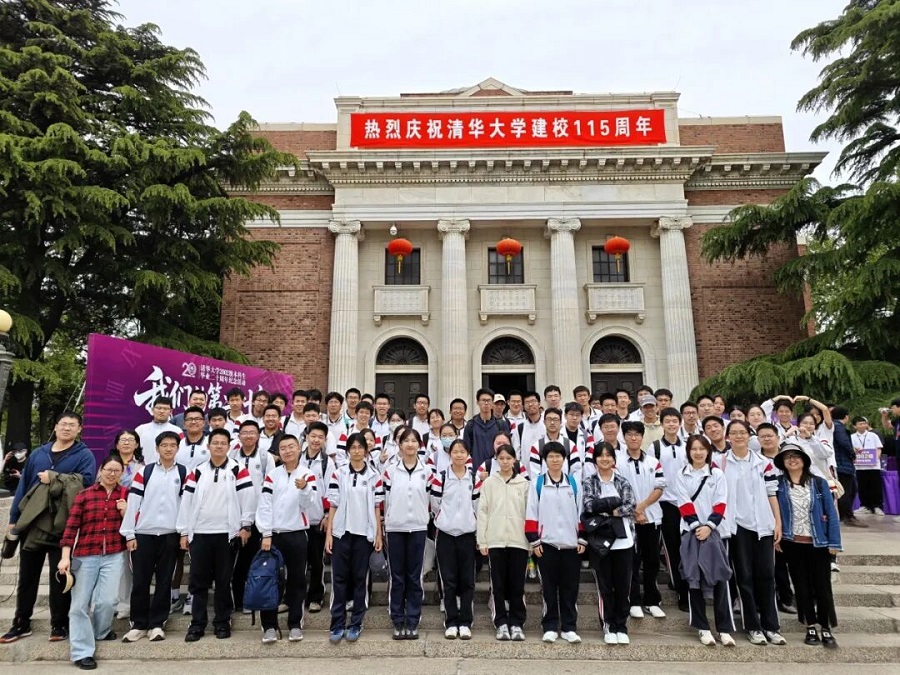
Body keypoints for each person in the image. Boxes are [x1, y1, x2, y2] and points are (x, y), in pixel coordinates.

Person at [0, 412, 96, 645]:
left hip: (62, 523)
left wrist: (54, 477)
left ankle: (59, 623)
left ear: (79, 429)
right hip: (33, 521)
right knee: (27, 577)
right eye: (63, 424)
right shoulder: (39, 453)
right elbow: (23, 485)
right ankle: (21, 622)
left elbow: (86, 481)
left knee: (60, 575)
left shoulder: (84, 455)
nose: (67, 428)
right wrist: (14, 518)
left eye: (72, 425)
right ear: (55, 426)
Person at [176, 428, 256, 642]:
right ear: (208, 446)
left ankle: (222, 621)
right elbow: (186, 502)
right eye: (215, 443)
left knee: (223, 580)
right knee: (198, 581)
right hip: (200, 534)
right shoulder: (197, 471)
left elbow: (247, 498)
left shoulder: (238, 469)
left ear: (229, 446)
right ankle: (197, 624)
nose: (219, 446)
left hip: (227, 535)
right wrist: (184, 531)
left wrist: (246, 525)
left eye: (223, 443)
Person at [58, 455, 128, 670]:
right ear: (101, 470)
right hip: (85, 555)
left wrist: (125, 512)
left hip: (114, 554)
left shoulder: (125, 495)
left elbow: (134, 526)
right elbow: (71, 528)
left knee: (108, 601)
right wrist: (65, 557)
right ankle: (82, 652)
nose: (112, 474)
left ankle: (101, 631)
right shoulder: (85, 495)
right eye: (108, 469)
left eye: (117, 470)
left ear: (122, 473)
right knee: (79, 605)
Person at [721, 420, 785, 646]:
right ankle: (753, 626)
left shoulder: (764, 463)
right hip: (736, 527)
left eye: (743, 432)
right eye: (734, 433)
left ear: (750, 436)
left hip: (763, 526)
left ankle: (771, 626)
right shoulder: (720, 463)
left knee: (767, 576)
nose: (739, 436)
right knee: (744, 577)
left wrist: (777, 522)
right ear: (728, 437)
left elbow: (772, 493)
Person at [774, 444, 842, 648]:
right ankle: (809, 625)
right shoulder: (778, 485)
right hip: (792, 542)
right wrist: (776, 539)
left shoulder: (819, 484)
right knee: (801, 586)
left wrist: (834, 542)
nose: (792, 460)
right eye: (787, 457)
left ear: (804, 460)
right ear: (782, 462)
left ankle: (826, 626)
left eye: (796, 456)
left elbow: (831, 513)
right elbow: (774, 513)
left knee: (822, 587)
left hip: (818, 543)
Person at [120, 431, 184, 643]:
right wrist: (129, 533)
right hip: (143, 534)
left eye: (172, 445)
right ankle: (138, 624)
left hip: (169, 535)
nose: (168, 448)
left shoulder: (183, 472)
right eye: (164, 445)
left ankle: (157, 624)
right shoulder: (144, 472)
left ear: (177, 448)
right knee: (141, 581)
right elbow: (133, 503)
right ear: (157, 448)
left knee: (164, 581)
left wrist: (184, 532)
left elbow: (186, 505)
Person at [256, 434, 318, 643]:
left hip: (297, 534)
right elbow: (265, 504)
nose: (288, 451)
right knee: (269, 580)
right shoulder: (272, 475)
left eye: (291, 446)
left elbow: (309, 503)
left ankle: (295, 624)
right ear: (279, 452)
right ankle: (269, 626)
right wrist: (266, 533)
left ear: (299, 448)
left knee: (297, 580)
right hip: (273, 535)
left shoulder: (307, 474)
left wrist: (304, 488)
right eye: (283, 448)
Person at [676, 435, 735, 647]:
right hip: (690, 532)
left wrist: (709, 526)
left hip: (715, 532)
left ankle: (724, 628)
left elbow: (721, 502)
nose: (698, 452)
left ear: (708, 451)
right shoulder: (681, 474)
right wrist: (696, 527)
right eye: (694, 449)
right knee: (693, 579)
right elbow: (683, 503)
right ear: (688, 452)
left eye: (702, 449)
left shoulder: (716, 474)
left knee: (720, 579)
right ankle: (702, 627)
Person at [325, 433, 384, 643]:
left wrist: (378, 534)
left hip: (364, 535)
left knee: (360, 579)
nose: (357, 451)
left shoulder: (374, 476)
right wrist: (329, 534)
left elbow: (377, 507)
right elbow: (333, 505)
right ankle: (337, 624)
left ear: (366, 451)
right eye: (353, 447)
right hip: (341, 533)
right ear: (348, 450)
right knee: (339, 580)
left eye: (360, 447)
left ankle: (356, 623)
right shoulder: (339, 473)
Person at [525, 441, 585, 644]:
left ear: (564, 459)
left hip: (571, 545)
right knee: (548, 588)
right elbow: (531, 512)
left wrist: (581, 538)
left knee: (570, 588)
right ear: (545, 460)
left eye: (558, 456)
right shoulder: (538, 484)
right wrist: (535, 541)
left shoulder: (574, 483)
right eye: (550, 456)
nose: (555, 460)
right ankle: (550, 626)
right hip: (547, 545)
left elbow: (581, 511)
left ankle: (569, 627)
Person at [582, 442, 636, 645]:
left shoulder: (622, 481)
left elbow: (630, 506)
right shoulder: (589, 482)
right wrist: (614, 503)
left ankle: (621, 625)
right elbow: (588, 506)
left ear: (614, 458)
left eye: (608, 455)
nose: (604, 459)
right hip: (600, 542)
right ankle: (608, 625)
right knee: (604, 586)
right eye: (600, 455)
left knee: (623, 586)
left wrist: (607, 509)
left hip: (623, 541)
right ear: (595, 460)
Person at [477, 443, 530, 642]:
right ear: (496, 460)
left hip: (519, 541)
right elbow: (482, 512)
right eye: (502, 458)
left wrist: (532, 542)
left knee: (517, 585)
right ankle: (500, 622)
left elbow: (529, 513)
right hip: (496, 540)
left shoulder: (523, 484)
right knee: (497, 585)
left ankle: (517, 623)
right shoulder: (489, 483)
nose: (505, 462)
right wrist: (482, 540)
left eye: (509, 458)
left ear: (514, 460)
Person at [382, 427, 431, 639]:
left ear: (419, 445)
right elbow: (385, 500)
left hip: (418, 528)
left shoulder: (427, 471)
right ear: (399, 445)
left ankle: (412, 620)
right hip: (395, 529)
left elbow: (431, 500)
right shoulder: (390, 471)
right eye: (406, 441)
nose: (410, 444)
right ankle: (397, 619)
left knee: (414, 576)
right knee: (397, 576)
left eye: (414, 441)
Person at [430, 439, 479, 640]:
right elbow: (435, 504)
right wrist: (444, 519)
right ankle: (451, 622)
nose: (459, 455)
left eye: (462, 451)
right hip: (446, 535)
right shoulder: (440, 477)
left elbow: (477, 505)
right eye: (455, 451)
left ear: (468, 455)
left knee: (467, 581)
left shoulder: (474, 478)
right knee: (448, 581)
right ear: (449, 454)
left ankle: (466, 622)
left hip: (467, 535)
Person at [617, 421, 666, 620]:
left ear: (642, 437)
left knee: (652, 561)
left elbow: (660, 487)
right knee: (632, 562)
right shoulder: (617, 461)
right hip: (629, 521)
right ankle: (634, 601)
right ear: (624, 437)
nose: (633, 437)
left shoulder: (653, 462)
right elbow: (618, 489)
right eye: (629, 434)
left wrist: (642, 507)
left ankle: (652, 600)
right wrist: (634, 512)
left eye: (637, 434)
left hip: (652, 518)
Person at [228, 419, 271, 613]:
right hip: (234, 514)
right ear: (239, 435)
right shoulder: (232, 456)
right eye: (244, 432)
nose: (248, 436)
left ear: (258, 435)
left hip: (257, 516)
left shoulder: (264, 457)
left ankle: (250, 599)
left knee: (251, 559)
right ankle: (236, 600)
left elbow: (270, 486)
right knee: (234, 561)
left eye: (252, 432)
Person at [652, 408, 688, 612]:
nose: (672, 424)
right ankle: (681, 590)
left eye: (675, 421)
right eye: (668, 421)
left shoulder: (689, 446)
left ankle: (689, 586)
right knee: (672, 549)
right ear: (662, 424)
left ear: (680, 423)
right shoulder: (655, 447)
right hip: (665, 504)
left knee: (687, 547)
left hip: (686, 503)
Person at [109, 430, 144, 621]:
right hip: (108, 516)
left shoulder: (142, 467)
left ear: (137, 444)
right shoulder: (108, 465)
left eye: (131, 440)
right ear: (116, 444)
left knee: (126, 563)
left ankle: (124, 603)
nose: (127, 443)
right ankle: (106, 602)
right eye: (123, 440)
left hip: (132, 515)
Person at [299, 421, 331, 613]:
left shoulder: (327, 462)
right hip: (296, 520)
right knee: (296, 563)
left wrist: (327, 515)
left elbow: (330, 490)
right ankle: (294, 597)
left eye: (320, 437)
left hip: (317, 519)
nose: (316, 440)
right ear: (306, 437)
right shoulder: (297, 458)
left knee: (317, 562)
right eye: (313, 436)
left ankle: (315, 598)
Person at [831, 406, 865, 527]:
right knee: (847, 491)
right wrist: (852, 453)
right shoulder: (839, 427)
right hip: (843, 463)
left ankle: (844, 515)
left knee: (849, 489)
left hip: (840, 463)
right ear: (846, 417)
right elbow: (843, 442)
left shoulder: (833, 426)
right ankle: (848, 516)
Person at [464, 388, 512, 471]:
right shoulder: (471, 425)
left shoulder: (501, 425)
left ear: (492, 403)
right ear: (477, 402)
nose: (486, 403)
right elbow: (466, 450)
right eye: (483, 400)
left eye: (488, 400)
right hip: (477, 470)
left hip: (498, 470)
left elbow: (508, 449)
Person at [851, 416, 884, 515]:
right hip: (860, 466)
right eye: (860, 424)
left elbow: (879, 448)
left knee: (875, 486)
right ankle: (865, 506)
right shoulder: (852, 437)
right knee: (862, 486)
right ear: (855, 426)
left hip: (873, 465)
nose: (862, 425)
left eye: (864, 423)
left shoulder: (873, 435)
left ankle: (877, 506)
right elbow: (850, 449)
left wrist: (876, 458)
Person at [135, 397, 182, 465]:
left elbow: (181, 451)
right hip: (143, 468)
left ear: (171, 411)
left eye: (165, 409)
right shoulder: (140, 429)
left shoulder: (177, 431)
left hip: (169, 468)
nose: (162, 411)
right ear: (152, 410)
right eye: (159, 408)